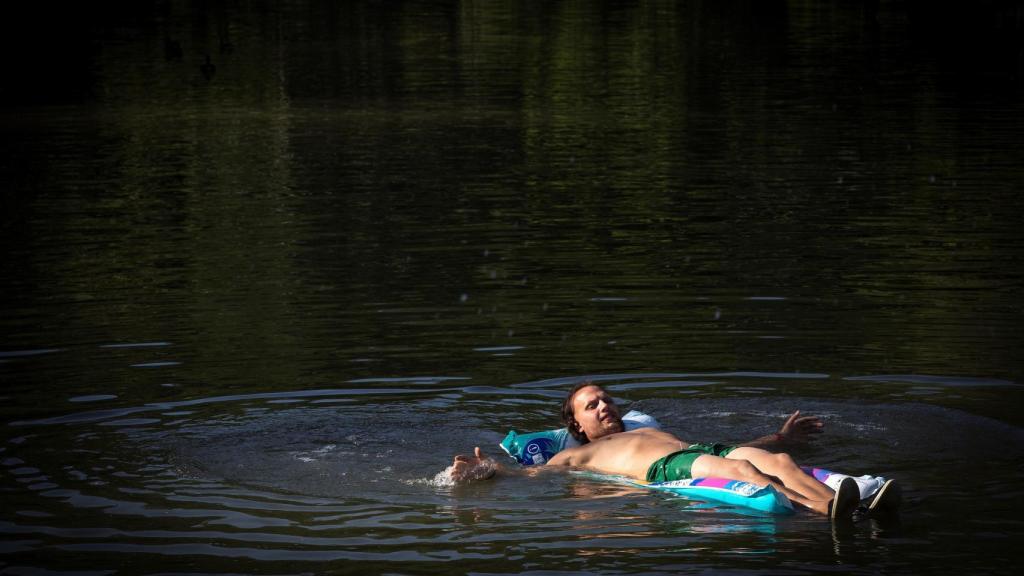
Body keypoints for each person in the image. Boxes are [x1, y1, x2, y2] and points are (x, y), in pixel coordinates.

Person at [451, 381, 863, 520]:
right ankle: (824, 511)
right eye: (591, 405)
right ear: (576, 425)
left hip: (696, 450)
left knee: (781, 463)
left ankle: (849, 505)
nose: (604, 406)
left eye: (606, 399)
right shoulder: (573, 455)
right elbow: (530, 476)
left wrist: (778, 438)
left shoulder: (646, 427)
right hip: (666, 466)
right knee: (746, 472)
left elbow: (726, 451)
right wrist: (488, 469)